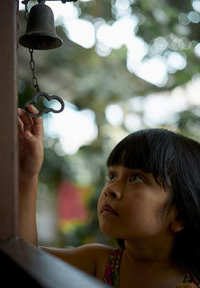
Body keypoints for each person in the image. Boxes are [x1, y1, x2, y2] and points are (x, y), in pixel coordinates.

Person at [18, 105, 200, 288]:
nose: (110, 189)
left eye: (135, 178)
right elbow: (24, 260)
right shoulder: (97, 263)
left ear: (180, 215)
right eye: (112, 176)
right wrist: (27, 177)